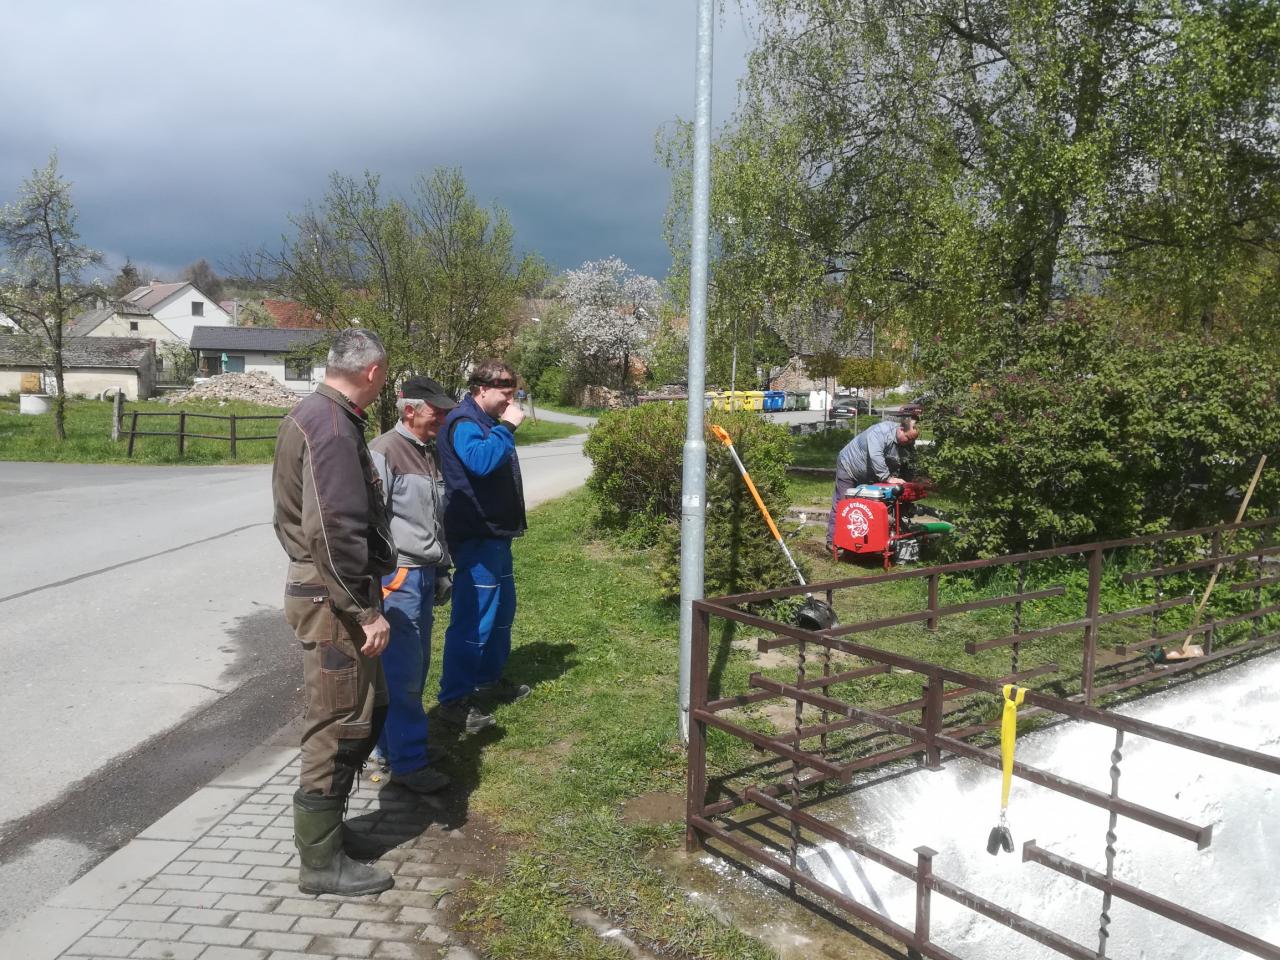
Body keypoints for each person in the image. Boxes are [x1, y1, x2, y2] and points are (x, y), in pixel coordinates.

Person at [272, 328, 398, 897]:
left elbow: (297, 519)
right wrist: (364, 610)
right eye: (385, 374)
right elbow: (333, 528)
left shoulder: (315, 415)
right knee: (336, 723)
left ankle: (333, 836)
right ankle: (320, 863)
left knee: (367, 711)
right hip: (334, 601)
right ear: (373, 372)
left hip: (327, 591)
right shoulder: (330, 425)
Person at [367, 375, 457, 795]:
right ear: (409, 411)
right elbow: (371, 521)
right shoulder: (384, 451)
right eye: (436, 412)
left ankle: (394, 748)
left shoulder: (427, 450)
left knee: (415, 667)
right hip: (398, 576)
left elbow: (433, 520)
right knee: (402, 671)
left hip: (422, 572)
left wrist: (440, 569)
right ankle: (407, 762)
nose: (442, 419)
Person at [436, 359, 531, 734]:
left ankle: (487, 679)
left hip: (496, 536)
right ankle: (454, 701)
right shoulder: (464, 422)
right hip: (476, 536)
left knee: (502, 612)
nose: (510, 396)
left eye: (513, 388)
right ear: (480, 389)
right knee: (474, 620)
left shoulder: (486, 421)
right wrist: (508, 427)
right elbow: (479, 462)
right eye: (504, 389)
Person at [827, 416, 920, 547]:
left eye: (913, 440)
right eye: (909, 438)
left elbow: (910, 463)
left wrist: (909, 482)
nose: (910, 442)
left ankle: (871, 542)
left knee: (873, 507)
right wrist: (887, 478)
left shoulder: (906, 442)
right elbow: (876, 456)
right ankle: (834, 541)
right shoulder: (880, 432)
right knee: (843, 504)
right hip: (849, 465)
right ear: (900, 429)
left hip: (870, 474)